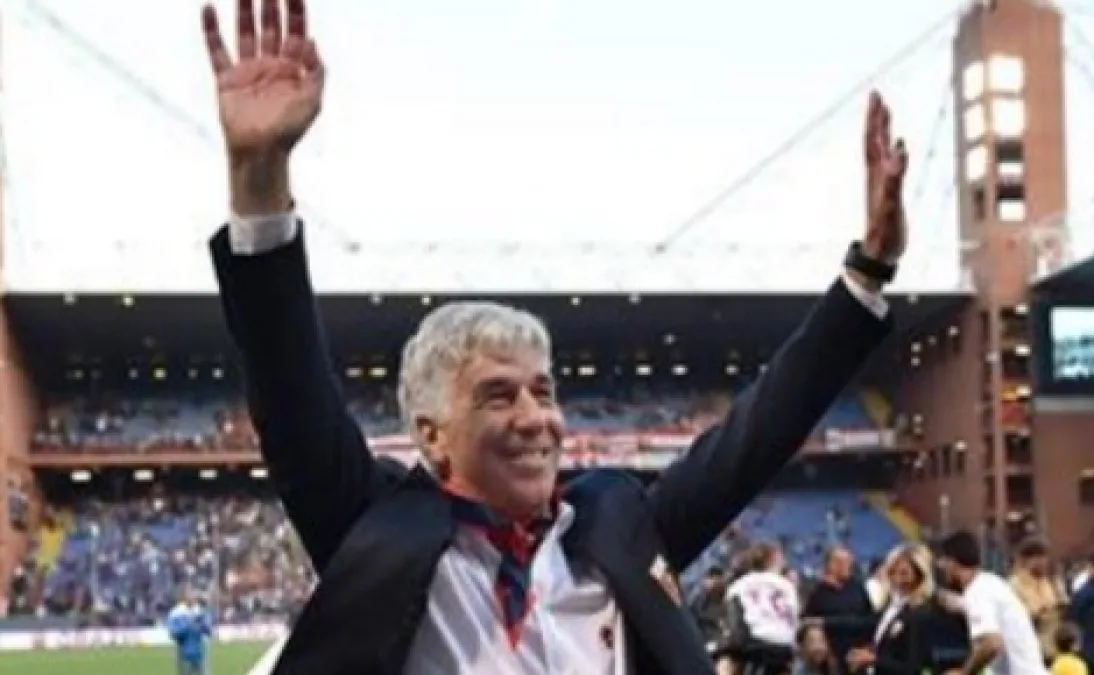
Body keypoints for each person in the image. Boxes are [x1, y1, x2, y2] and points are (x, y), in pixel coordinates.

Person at [201, 1, 909, 673]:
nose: (535, 417)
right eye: (497, 395)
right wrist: (259, 182)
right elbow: (289, 389)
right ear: (432, 433)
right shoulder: (377, 527)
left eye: (542, 392)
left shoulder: (614, 528)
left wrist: (867, 272)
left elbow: (754, 438)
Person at [936, 530, 1047, 675]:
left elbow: (991, 643)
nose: (941, 567)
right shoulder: (990, 583)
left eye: (943, 561)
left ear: (953, 562)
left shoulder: (976, 591)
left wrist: (964, 672)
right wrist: (958, 605)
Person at [846, 544, 933, 675]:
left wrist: (874, 659)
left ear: (919, 576)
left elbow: (913, 666)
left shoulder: (920, 613)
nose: (897, 579)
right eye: (893, 572)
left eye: (904, 573)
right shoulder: (889, 607)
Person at [721, 543, 801, 674]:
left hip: (755, 643)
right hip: (784, 647)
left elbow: (734, 622)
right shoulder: (788, 586)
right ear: (772, 560)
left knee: (727, 659)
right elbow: (794, 619)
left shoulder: (738, 585)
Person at [801, 545, 877, 672]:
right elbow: (807, 624)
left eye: (849, 562)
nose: (847, 566)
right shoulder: (816, 592)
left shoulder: (857, 588)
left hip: (857, 658)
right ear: (829, 565)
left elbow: (869, 621)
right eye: (841, 562)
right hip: (829, 662)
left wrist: (825, 622)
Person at [1009, 538, 1068, 661]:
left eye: (1044, 557)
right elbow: (1016, 620)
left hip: (1056, 651)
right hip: (1031, 652)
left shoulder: (1053, 582)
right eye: (1037, 558)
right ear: (1024, 561)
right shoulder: (1015, 586)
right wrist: (1039, 613)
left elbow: (1065, 611)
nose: (1042, 562)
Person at [166, 590, 212, 675]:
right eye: (189, 595)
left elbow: (208, 630)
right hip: (183, 651)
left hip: (200, 650)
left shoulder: (200, 611)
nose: (192, 597)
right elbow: (173, 633)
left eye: (193, 595)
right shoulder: (176, 613)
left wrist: (202, 624)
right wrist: (188, 625)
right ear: (183, 597)